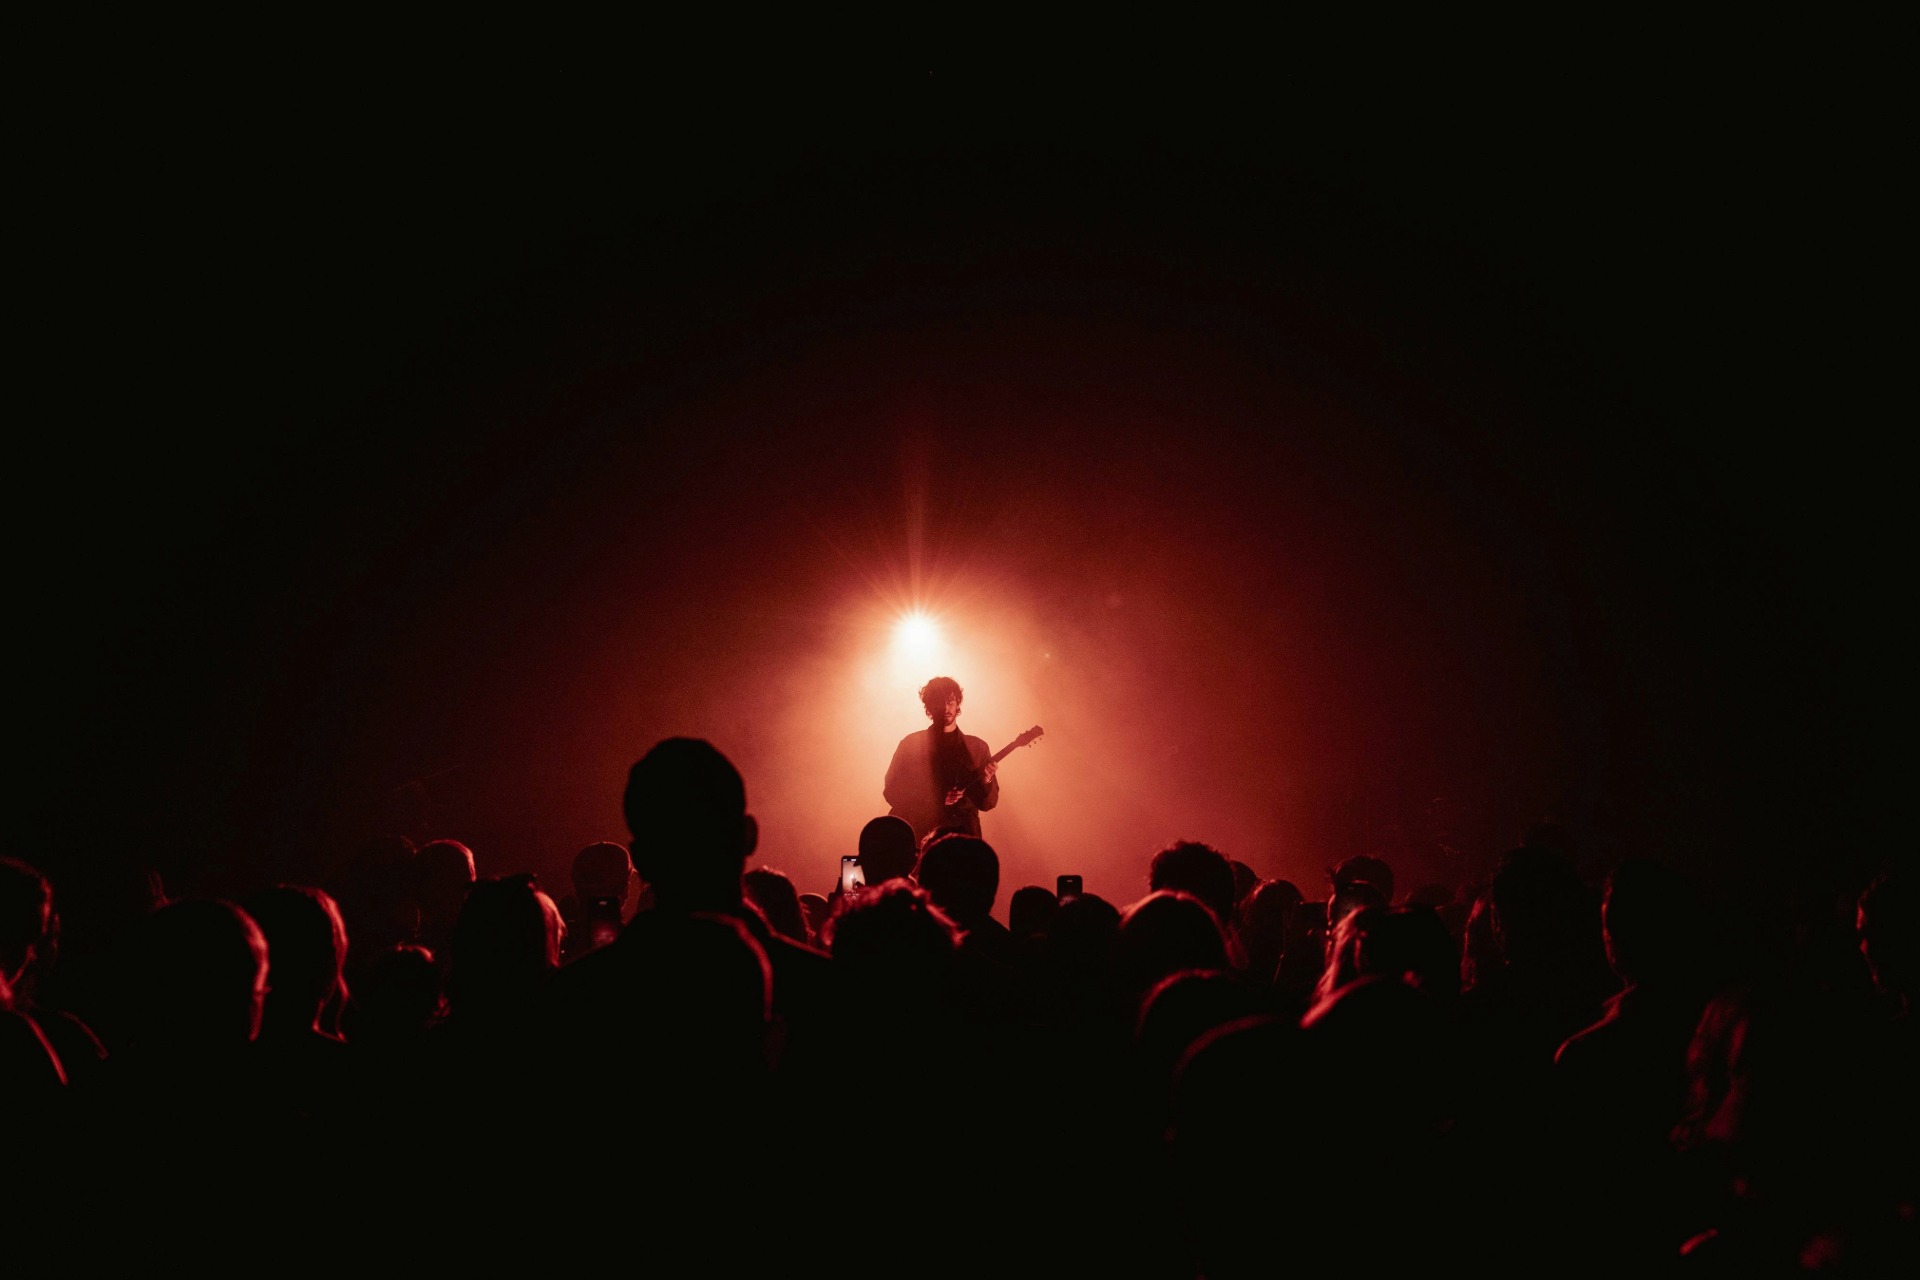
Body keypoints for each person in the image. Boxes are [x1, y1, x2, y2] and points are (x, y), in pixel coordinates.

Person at [882, 676, 999, 843]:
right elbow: (892, 791)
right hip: (921, 837)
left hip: (963, 840)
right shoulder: (911, 744)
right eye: (939, 702)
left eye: (950, 702)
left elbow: (987, 804)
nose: (945, 708)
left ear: (958, 705)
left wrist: (987, 782)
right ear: (929, 706)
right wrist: (935, 799)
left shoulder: (977, 747)